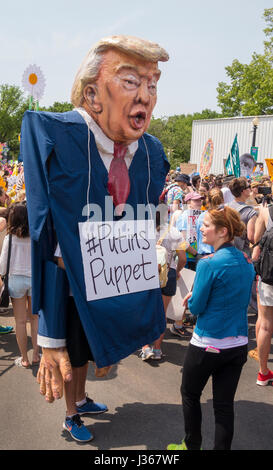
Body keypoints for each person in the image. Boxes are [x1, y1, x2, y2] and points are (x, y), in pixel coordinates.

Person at [21, 35, 170, 442]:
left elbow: (139, 227)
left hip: (103, 291)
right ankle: (72, 416)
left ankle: (82, 398)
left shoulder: (151, 154)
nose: (145, 96)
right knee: (68, 354)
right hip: (68, 295)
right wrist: (48, 336)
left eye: (152, 84)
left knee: (84, 355)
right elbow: (48, 241)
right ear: (92, 93)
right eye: (129, 81)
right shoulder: (55, 138)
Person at [167, 206, 255, 451]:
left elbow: (196, 307)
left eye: (206, 225)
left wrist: (191, 299)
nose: (201, 228)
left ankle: (192, 445)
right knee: (224, 405)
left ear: (223, 231)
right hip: (238, 344)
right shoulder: (246, 259)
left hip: (208, 343)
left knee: (189, 393)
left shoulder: (208, 263)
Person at [140, 211, 188, 360]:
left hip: (145, 273)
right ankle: (157, 349)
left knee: (146, 311)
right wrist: (177, 270)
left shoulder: (141, 230)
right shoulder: (174, 232)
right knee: (162, 312)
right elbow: (183, 258)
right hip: (169, 273)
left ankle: (145, 347)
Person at [0, 202, 39, 367]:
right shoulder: (35, 237)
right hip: (34, 279)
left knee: (20, 321)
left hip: (16, 280)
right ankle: (37, 354)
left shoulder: (9, 239)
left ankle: (24, 359)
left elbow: (3, 264)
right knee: (35, 319)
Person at [252, 205, 273, 385]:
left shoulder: (267, 211)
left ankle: (263, 373)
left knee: (265, 324)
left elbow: (255, 239)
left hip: (269, 275)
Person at [175, 191, 203, 271]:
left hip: (199, 257)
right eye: (196, 200)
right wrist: (196, 254)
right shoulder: (184, 217)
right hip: (189, 259)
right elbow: (182, 242)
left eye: (200, 200)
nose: (199, 202)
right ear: (188, 202)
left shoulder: (202, 215)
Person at [195, 188, 224, 262]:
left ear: (208, 200)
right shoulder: (224, 216)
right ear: (222, 200)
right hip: (219, 255)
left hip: (203, 255)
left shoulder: (202, 216)